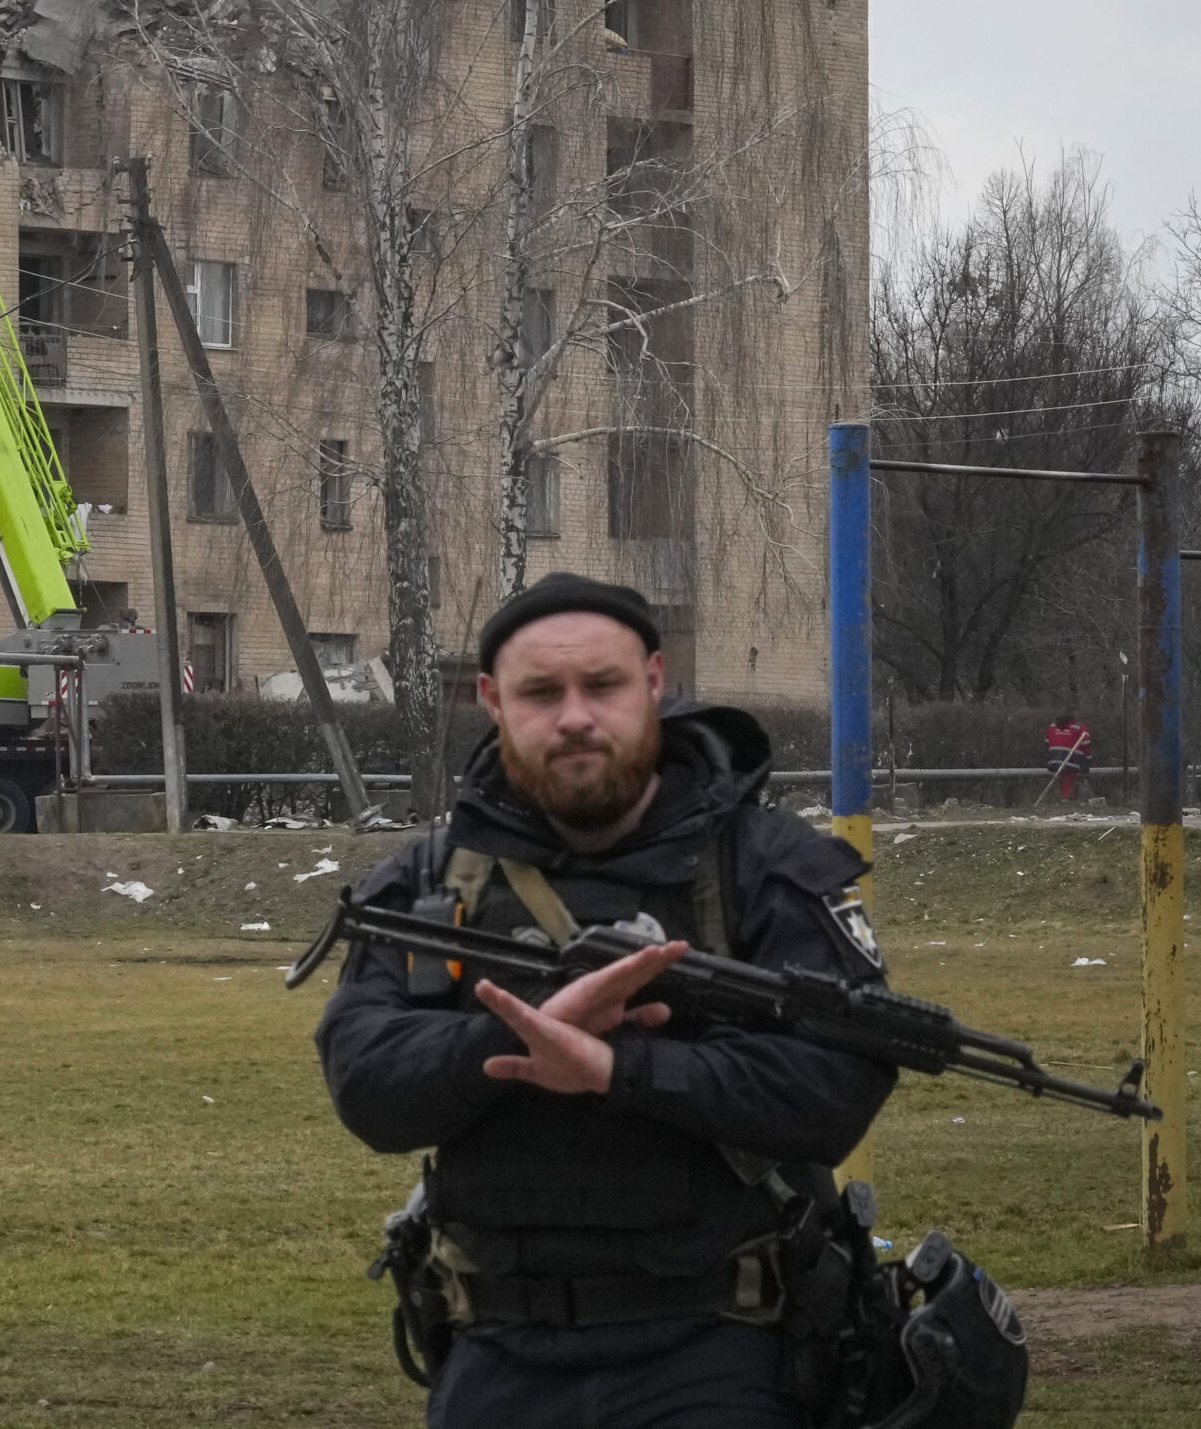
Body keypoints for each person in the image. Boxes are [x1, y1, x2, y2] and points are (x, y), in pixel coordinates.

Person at [317, 572, 895, 1429]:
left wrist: (622, 1068)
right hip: (497, 1356)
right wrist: (515, 1039)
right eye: (541, 692)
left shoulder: (766, 867)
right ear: (491, 700)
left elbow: (834, 1088)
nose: (575, 716)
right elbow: (366, 1081)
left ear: (655, 682)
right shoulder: (434, 882)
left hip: (722, 1350)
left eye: (605, 684)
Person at [1045, 712, 1093, 802]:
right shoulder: (1079, 727)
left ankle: (1057, 799)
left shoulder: (1053, 726)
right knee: (1068, 780)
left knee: (1058, 780)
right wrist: (1088, 758)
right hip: (1072, 759)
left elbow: (1047, 741)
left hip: (1054, 758)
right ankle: (1065, 799)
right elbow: (1086, 744)